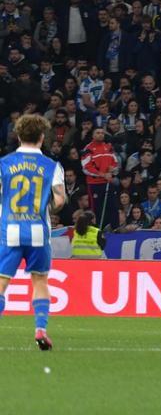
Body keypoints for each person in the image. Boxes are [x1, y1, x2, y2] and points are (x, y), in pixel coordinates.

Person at [0, 114, 66, 350]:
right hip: (38, 230)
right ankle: (40, 329)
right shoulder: (52, 166)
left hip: (10, 230)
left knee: (1, 282)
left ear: (18, 136)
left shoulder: (4, 163)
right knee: (40, 280)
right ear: (41, 138)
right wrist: (43, 204)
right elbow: (59, 200)